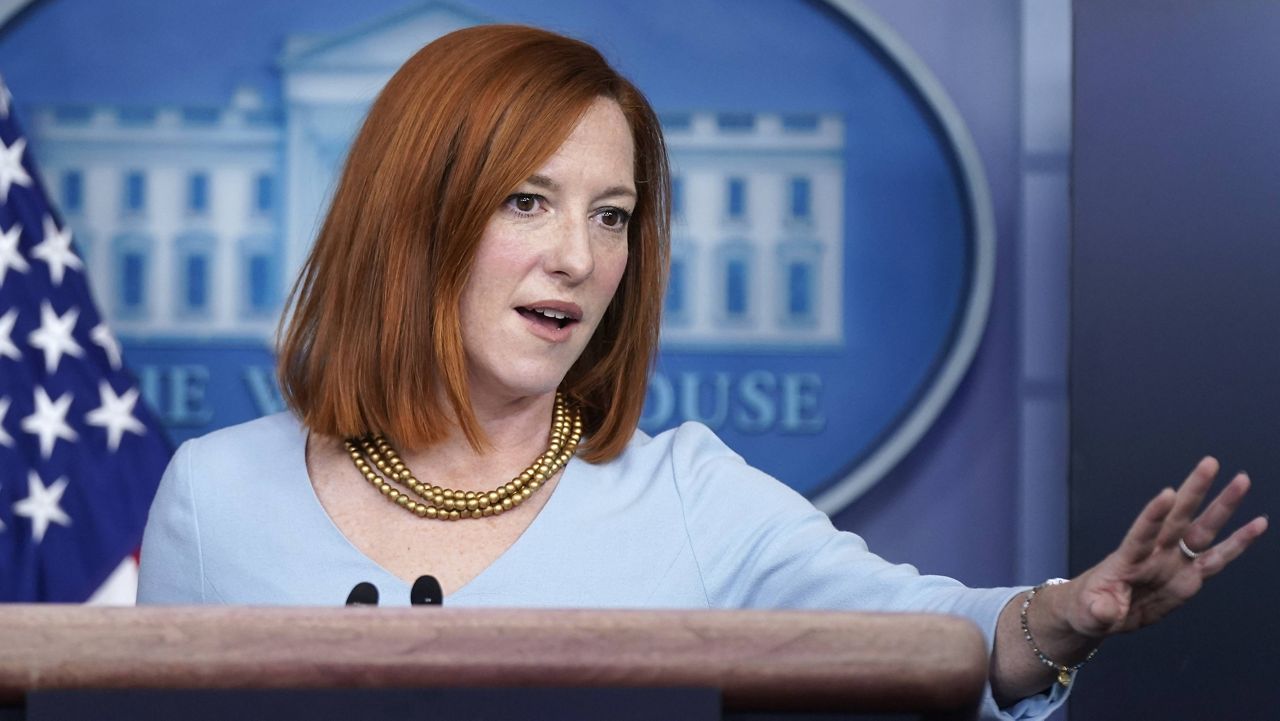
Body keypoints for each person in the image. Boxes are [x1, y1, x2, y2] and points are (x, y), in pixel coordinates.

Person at [137, 24, 1268, 720]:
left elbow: (926, 635)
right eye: (527, 200)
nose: (579, 258)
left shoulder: (684, 489)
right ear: (414, 212)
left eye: (612, 215)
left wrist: (1065, 617)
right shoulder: (215, 493)